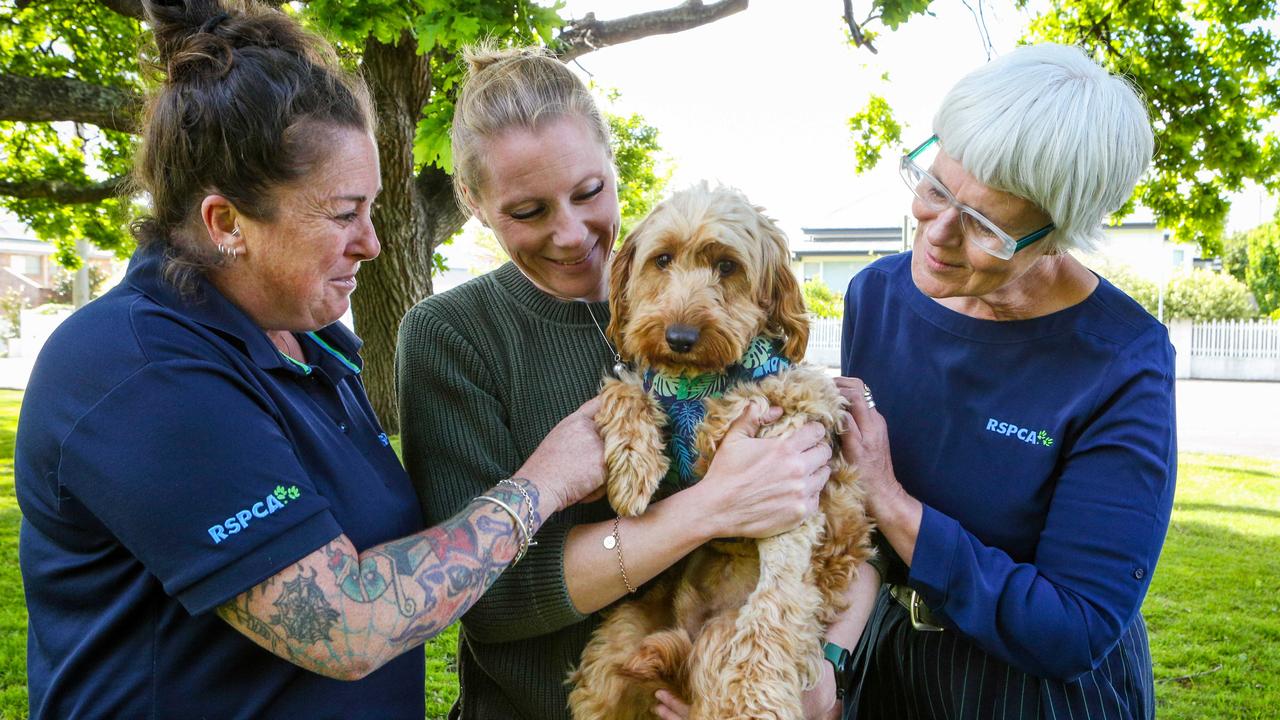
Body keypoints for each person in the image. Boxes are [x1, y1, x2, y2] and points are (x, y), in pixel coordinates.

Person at [14, 2, 606, 717]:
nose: (372, 243)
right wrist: (544, 483)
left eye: (374, 209)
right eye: (342, 213)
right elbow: (347, 625)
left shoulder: (311, 345)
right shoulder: (136, 370)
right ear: (226, 221)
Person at [396, 46, 841, 719]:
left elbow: (831, 533)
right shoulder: (450, 336)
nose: (572, 236)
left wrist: (822, 676)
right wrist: (708, 509)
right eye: (528, 211)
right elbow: (485, 602)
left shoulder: (700, 296)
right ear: (471, 200)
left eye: (589, 193)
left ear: (612, 165)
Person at [835, 43, 1175, 719]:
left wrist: (892, 502)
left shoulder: (1121, 360)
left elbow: (1071, 625)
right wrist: (828, 659)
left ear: (1059, 233)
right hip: (881, 663)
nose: (936, 234)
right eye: (934, 188)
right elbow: (852, 528)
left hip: (1027, 692)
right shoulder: (875, 295)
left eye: (986, 226)